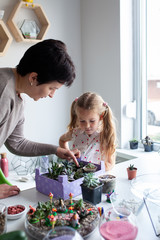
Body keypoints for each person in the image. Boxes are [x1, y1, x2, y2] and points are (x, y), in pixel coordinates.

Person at [0, 39, 80, 198]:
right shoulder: (3, 91)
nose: (51, 95)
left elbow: (17, 143)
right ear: (34, 78)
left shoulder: (17, 99)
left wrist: (56, 150)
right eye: (52, 88)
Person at [59, 92, 117, 170]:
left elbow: (110, 164)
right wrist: (69, 155)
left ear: (101, 116)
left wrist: (96, 170)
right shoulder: (76, 132)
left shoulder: (105, 135)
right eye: (82, 121)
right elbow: (62, 140)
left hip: (93, 178)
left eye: (92, 121)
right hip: (75, 175)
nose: (87, 126)